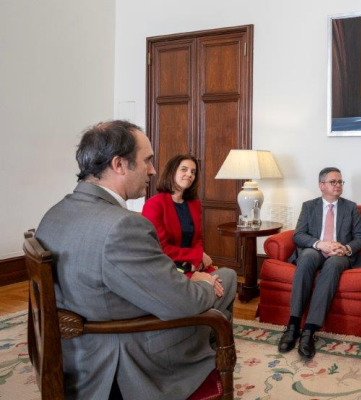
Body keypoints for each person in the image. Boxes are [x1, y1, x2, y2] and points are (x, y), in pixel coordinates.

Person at [34, 120, 237, 400]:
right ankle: (207, 361)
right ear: (119, 165)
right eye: (147, 161)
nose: (153, 170)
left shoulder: (54, 214)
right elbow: (184, 303)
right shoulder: (123, 226)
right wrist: (202, 282)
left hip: (77, 351)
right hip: (123, 356)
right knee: (224, 285)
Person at [277, 167, 361, 359]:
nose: (338, 185)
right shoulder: (309, 206)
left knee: (334, 264)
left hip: (339, 253)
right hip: (316, 249)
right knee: (307, 256)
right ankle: (292, 326)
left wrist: (346, 248)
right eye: (333, 182)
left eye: (340, 182)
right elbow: (299, 235)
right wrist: (320, 244)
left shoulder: (351, 207)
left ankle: (309, 331)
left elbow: (360, 238)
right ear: (321, 185)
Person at [142, 154, 216, 277]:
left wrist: (196, 260)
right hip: (167, 268)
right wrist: (197, 256)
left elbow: (198, 238)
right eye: (184, 169)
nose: (189, 174)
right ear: (172, 172)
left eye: (193, 172)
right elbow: (161, 248)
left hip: (192, 265)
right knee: (212, 287)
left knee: (226, 279)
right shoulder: (154, 204)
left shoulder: (195, 204)